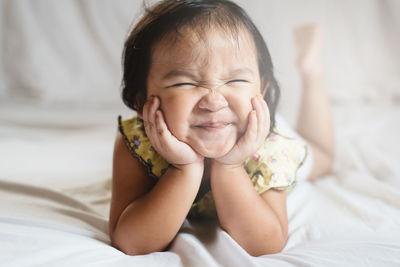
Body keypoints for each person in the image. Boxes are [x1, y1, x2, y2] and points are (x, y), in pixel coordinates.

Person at [109, 0, 334, 257]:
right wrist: (185, 170)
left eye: (236, 80)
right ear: (142, 102)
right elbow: (130, 241)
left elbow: (265, 244)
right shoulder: (138, 142)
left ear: (261, 90)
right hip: (224, 127)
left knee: (323, 158)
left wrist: (230, 166)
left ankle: (311, 73)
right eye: (184, 83)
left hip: (251, 131)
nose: (214, 101)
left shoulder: (272, 149)